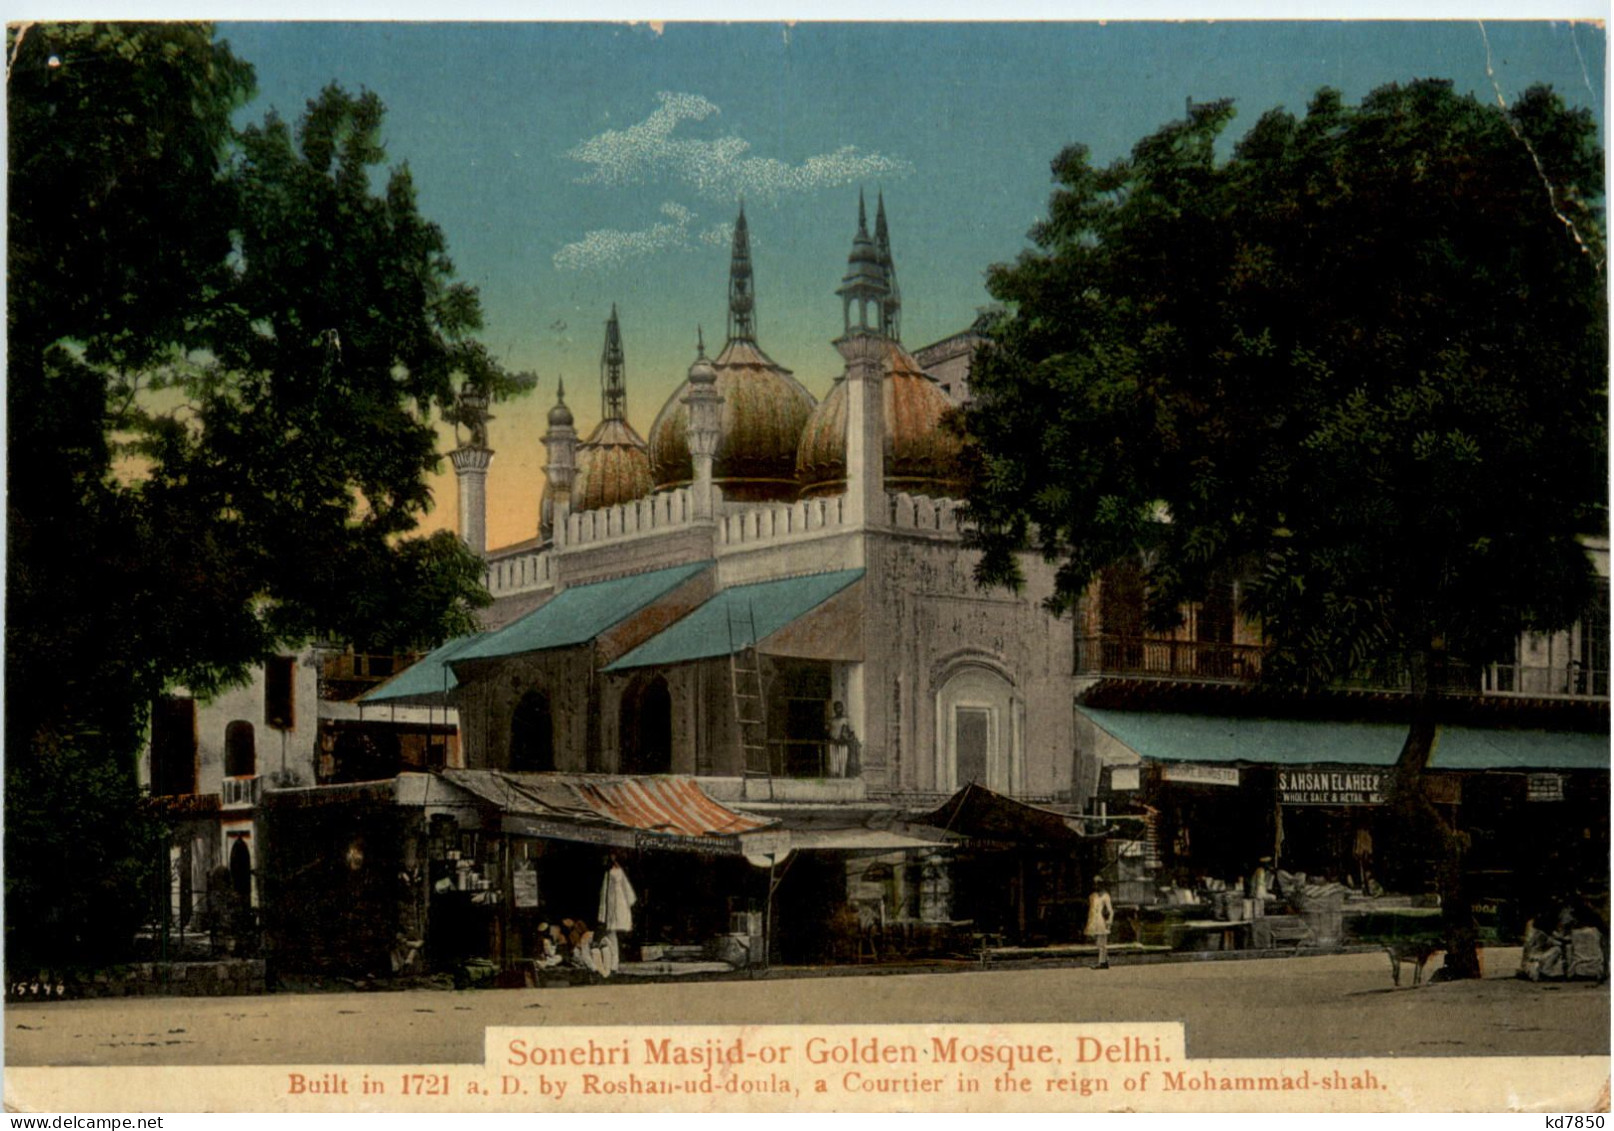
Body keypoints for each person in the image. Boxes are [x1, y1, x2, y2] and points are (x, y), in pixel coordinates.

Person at [1086, 880, 1116, 969]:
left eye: (1098, 884)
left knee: (1102, 943)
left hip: (1102, 920)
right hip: (1095, 921)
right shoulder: (1093, 896)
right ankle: (1105, 960)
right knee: (1100, 943)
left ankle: (1102, 962)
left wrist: (1109, 921)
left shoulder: (1105, 896)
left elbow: (1110, 910)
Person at [826, 702, 857, 778]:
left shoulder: (846, 720)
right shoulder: (831, 720)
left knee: (842, 763)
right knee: (834, 763)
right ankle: (835, 779)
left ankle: (842, 778)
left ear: (842, 708)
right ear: (834, 709)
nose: (838, 709)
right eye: (837, 708)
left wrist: (847, 739)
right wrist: (831, 738)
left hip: (843, 744)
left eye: (840, 707)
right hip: (833, 743)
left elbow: (852, 733)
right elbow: (827, 732)